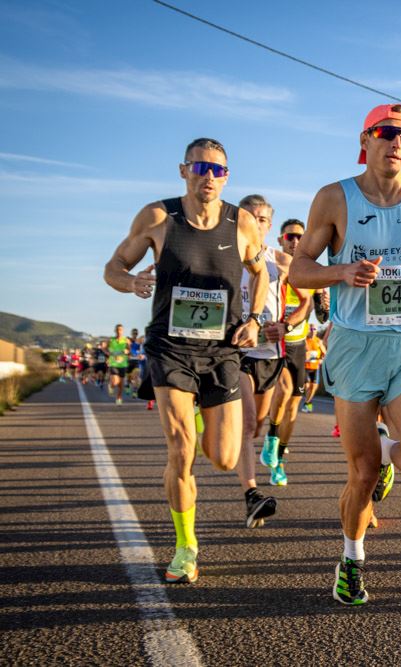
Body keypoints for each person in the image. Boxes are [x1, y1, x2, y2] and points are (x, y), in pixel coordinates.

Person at [289, 103, 401, 605]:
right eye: (386, 133)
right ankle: (351, 557)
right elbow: (299, 271)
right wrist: (339, 273)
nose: (396, 143)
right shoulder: (334, 199)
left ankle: (390, 453)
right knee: (361, 475)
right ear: (365, 139)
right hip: (354, 347)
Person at [103, 137, 268, 584]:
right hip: (170, 349)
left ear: (226, 176)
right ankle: (185, 546)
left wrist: (253, 319)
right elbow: (113, 266)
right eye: (200, 168)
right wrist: (130, 281)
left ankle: (199, 418)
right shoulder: (158, 217)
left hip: (222, 351)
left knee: (223, 455)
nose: (208, 177)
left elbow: (262, 271)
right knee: (182, 451)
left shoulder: (243, 223)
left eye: (217, 170)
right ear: (183, 170)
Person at [233, 194, 284, 527]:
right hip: (238, 352)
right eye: (249, 216)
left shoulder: (281, 261)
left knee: (260, 424)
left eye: (262, 218)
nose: (255, 222)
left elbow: (307, 298)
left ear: (269, 224)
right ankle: (251, 494)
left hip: (271, 353)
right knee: (249, 424)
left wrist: (288, 324)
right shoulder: (228, 256)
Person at [261, 218, 313, 486]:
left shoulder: (310, 271)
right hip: (272, 342)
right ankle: (269, 436)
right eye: (290, 237)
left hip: (298, 345)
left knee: (293, 407)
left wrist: (323, 304)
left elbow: (319, 310)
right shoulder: (273, 265)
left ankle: (278, 458)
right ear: (281, 239)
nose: (295, 242)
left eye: (299, 237)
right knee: (281, 393)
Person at [302, 325, 326, 412]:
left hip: (315, 367)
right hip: (306, 367)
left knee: (314, 387)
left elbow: (324, 354)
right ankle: (307, 403)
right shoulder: (305, 340)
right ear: (309, 330)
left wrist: (321, 359)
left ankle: (307, 403)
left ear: (316, 331)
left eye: (314, 329)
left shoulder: (318, 341)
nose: (312, 330)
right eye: (311, 329)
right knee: (307, 386)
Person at [107, 324, 131, 405]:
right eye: (117, 330)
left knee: (121, 384)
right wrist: (109, 354)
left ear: (123, 331)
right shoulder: (111, 340)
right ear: (115, 331)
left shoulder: (126, 340)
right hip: (113, 363)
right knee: (115, 381)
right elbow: (106, 349)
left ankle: (119, 398)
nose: (119, 331)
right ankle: (111, 385)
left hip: (123, 364)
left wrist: (127, 351)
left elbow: (129, 350)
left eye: (120, 330)